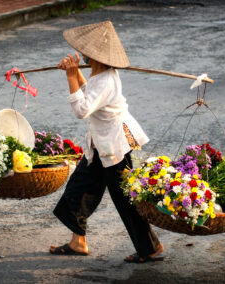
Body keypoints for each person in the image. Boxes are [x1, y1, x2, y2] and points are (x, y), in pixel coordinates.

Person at [49, 21, 164, 263]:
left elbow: (82, 109)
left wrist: (70, 75)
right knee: (79, 189)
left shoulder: (105, 80)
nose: (84, 57)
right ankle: (78, 241)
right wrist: (74, 74)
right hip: (99, 146)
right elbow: (88, 90)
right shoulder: (101, 74)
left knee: (126, 199)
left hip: (113, 147)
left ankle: (150, 248)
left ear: (96, 57)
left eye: (87, 54)